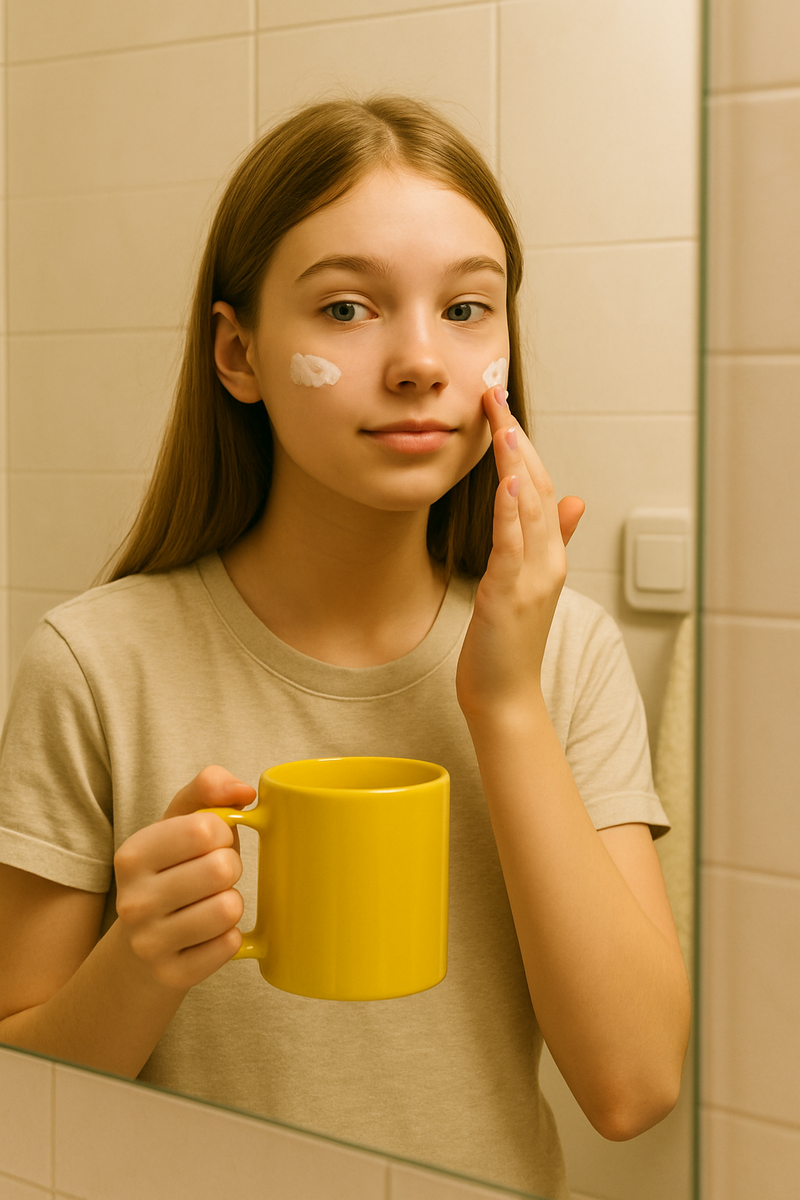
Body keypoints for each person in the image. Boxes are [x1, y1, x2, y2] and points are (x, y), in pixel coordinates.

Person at [0, 96, 690, 1199]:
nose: (421, 362)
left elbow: (631, 1087)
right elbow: (16, 1108)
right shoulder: (93, 667)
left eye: (466, 307)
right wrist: (138, 963)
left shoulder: (566, 656)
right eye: (347, 309)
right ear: (239, 354)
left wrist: (505, 702)